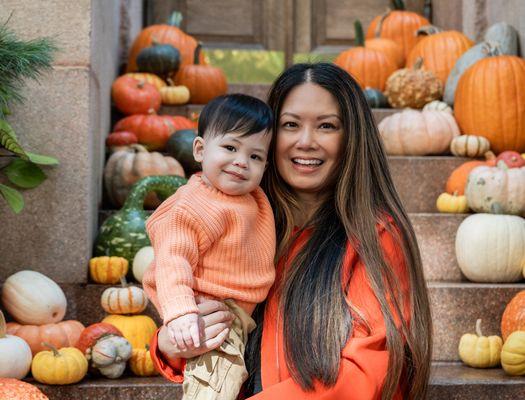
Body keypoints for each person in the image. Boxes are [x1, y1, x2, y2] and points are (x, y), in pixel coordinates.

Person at [147, 63, 433, 400]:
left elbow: (369, 368)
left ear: (352, 138)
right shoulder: (241, 223)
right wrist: (170, 346)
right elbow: (189, 293)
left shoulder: (373, 237)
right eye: (290, 125)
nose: (306, 141)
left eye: (326, 126)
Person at [143, 94, 276, 400]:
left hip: (242, 312)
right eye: (230, 148)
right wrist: (180, 314)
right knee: (217, 382)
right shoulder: (191, 206)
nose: (242, 162)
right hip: (211, 311)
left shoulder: (253, 199)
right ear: (200, 150)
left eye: (255, 157)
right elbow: (173, 260)